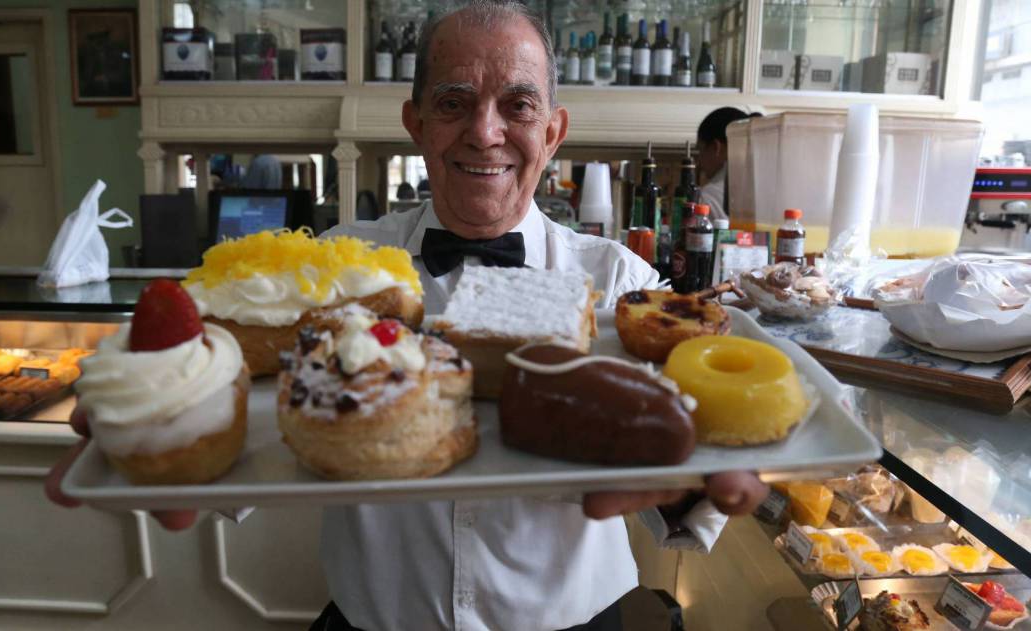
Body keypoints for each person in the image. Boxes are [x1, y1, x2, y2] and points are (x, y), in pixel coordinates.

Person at [46, 3, 767, 629]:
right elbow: (260, 429)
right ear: (415, 124)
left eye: (517, 105)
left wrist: (697, 478)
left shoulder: (624, 288)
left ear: (551, 132)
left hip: (573, 622)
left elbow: (690, 463)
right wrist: (162, 426)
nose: (484, 132)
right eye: (454, 102)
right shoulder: (333, 276)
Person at [695, 107, 761, 221]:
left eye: (700, 150)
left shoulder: (706, 199)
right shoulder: (765, 183)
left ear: (716, 148)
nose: (699, 161)